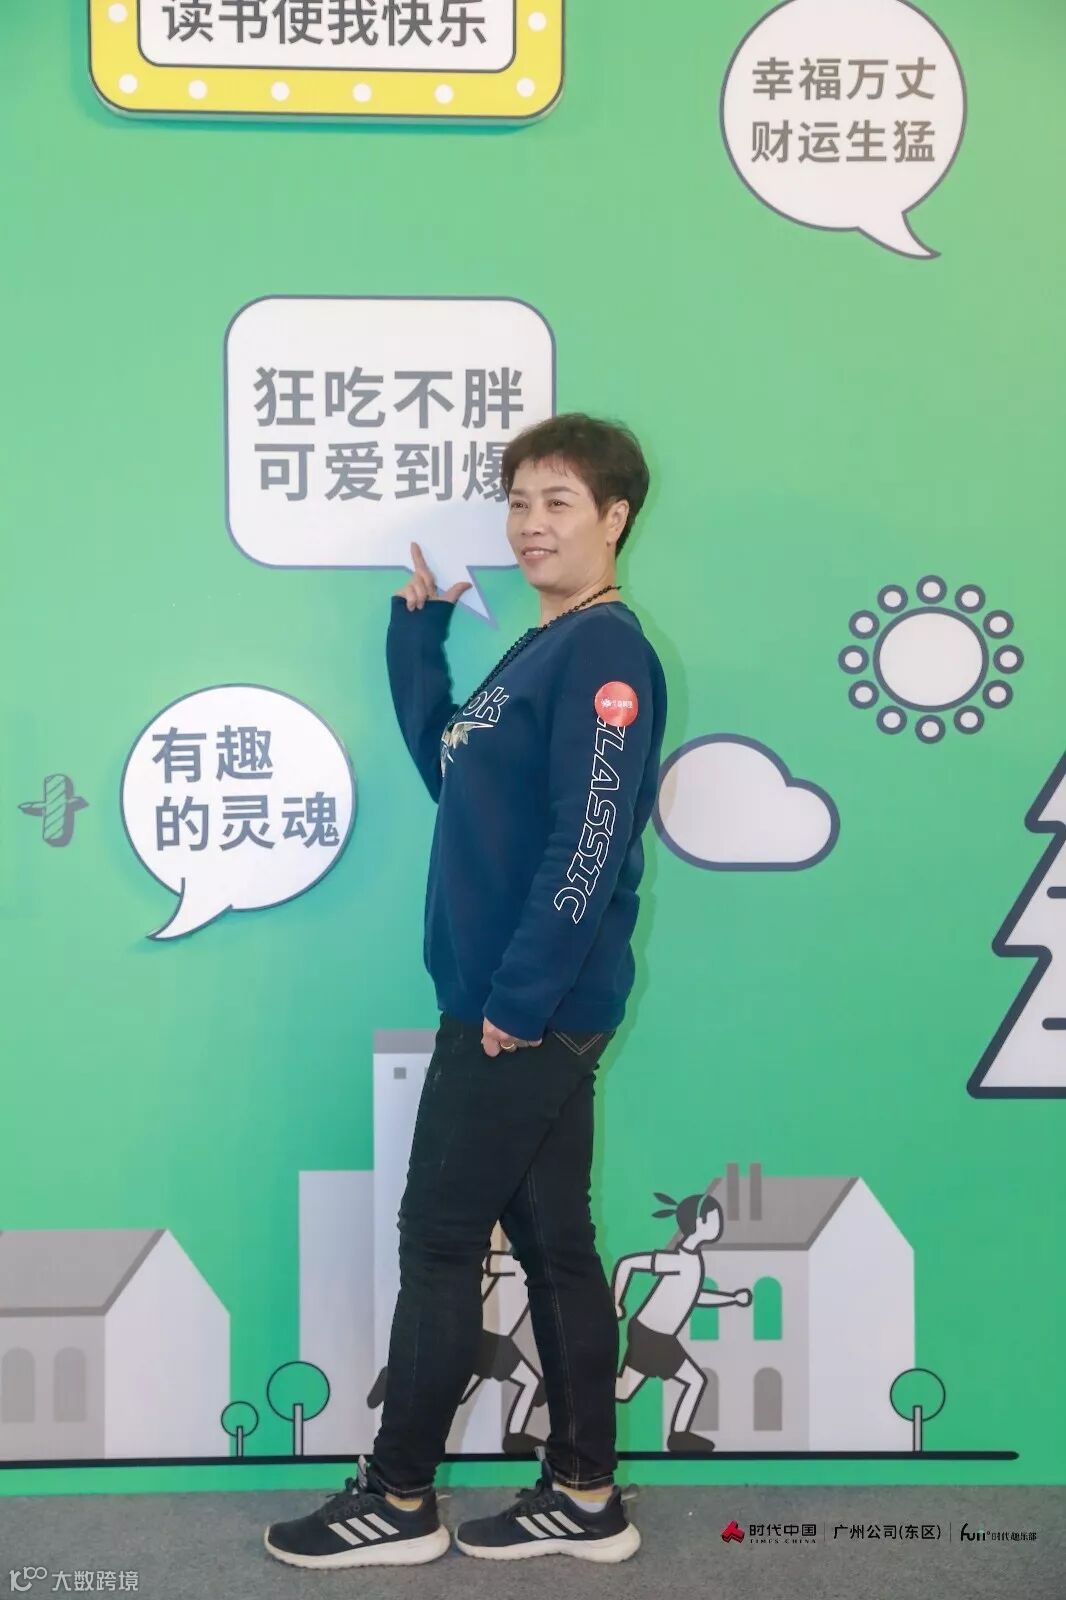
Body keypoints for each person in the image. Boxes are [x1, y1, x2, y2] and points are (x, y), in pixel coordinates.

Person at [265, 413, 668, 1569]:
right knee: (554, 1244)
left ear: (614, 517)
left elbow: (588, 838)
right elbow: (456, 764)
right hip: (511, 1001)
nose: (531, 524)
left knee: (440, 1238)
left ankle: (398, 1498)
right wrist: (418, 633)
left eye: (558, 502)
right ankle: (585, 1493)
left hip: (519, 1011)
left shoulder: (604, 654)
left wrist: (518, 998)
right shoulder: (543, 647)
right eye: (519, 502)